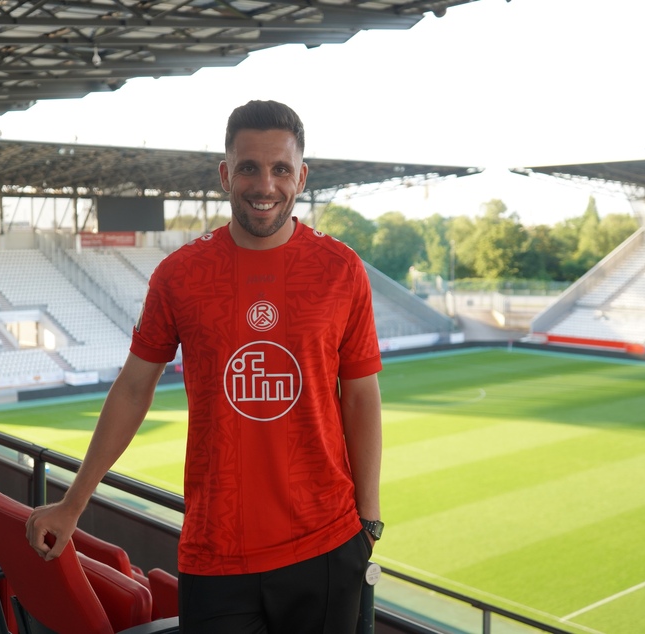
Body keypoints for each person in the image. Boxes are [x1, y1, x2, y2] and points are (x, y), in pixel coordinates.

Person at [26, 100, 383, 633]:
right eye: (249, 167)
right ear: (225, 175)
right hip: (217, 552)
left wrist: (368, 521)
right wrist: (74, 503)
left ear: (301, 177)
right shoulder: (180, 275)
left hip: (326, 545)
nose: (265, 184)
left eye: (281, 168)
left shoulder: (341, 269)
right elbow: (131, 390)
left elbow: (360, 396)